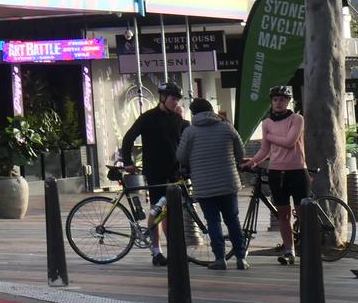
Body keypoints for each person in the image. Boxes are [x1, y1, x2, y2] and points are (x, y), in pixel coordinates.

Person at [120, 81, 190, 265]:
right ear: (163, 97)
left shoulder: (178, 119)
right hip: (155, 172)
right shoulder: (148, 117)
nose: (176, 102)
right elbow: (128, 138)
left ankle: (175, 250)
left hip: (175, 172)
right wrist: (128, 162)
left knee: (171, 211)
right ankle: (156, 251)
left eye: (178, 99)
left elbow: (188, 139)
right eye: (173, 99)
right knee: (158, 210)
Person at [177, 97, 248, 270]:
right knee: (232, 220)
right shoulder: (227, 127)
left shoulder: (190, 132)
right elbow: (241, 152)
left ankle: (220, 259)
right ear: (211, 110)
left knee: (213, 222)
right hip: (228, 183)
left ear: (193, 113)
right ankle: (241, 258)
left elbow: (181, 157)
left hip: (204, 185)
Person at [243, 84, 306, 264]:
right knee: (283, 216)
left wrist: (270, 136)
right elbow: (265, 150)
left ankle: (309, 248)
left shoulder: (297, 119)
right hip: (277, 172)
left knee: (303, 214)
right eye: (275, 99)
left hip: (297, 171)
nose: (278, 103)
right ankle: (289, 251)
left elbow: (289, 142)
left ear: (288, 101)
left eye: (282, 100)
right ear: (271, 102)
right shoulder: (267, 123)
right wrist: (251, 163)